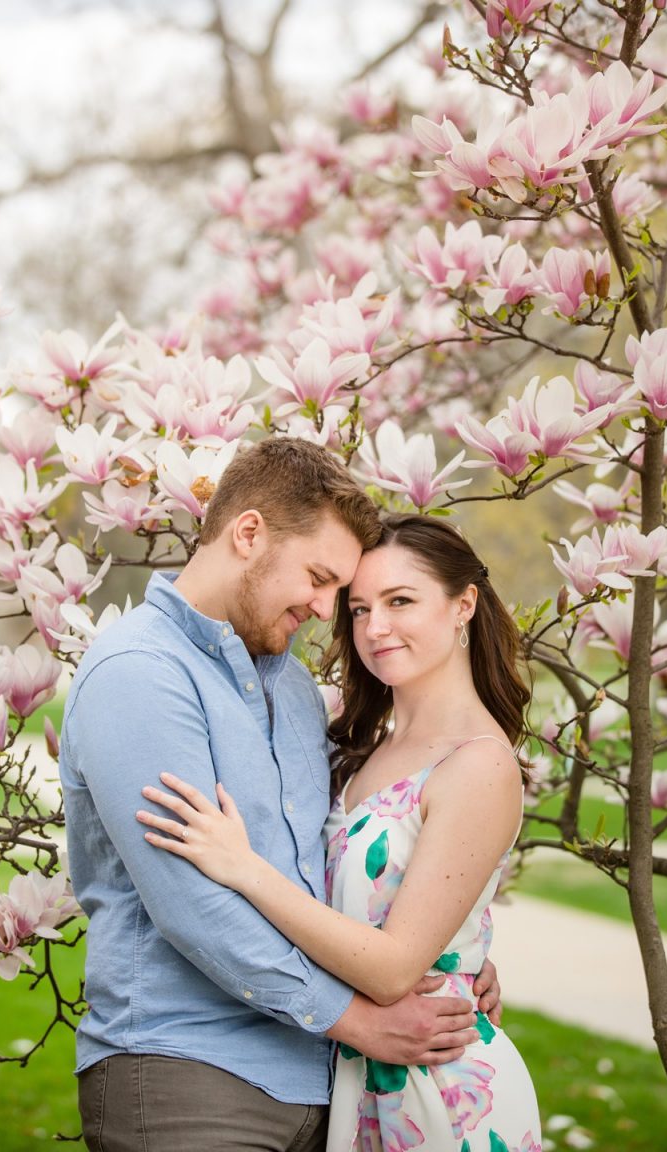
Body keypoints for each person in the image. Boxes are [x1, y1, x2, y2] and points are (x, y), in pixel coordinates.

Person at [59, 440, 502, 1152]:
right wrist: (359, 1020)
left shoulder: (291, 688)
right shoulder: (141, 674)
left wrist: (451, 949)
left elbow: (339, 859)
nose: (330, 611)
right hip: (189, 1074)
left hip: (322, 1084)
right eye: (323, 579)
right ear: (249, 534)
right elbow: (191, 906)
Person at [137, 512, 542, 1152]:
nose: (374, 628)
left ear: (463, 604)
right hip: (355, 1075)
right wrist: (467, 954)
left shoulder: (479, 763)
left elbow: (391, 971)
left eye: (400, 601)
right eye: (358, 609)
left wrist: (244, 868)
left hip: (440, 1092)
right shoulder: (360, 747)